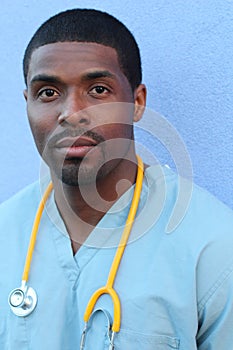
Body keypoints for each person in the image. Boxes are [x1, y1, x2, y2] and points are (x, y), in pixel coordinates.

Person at [0, 8, 233, 350]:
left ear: (137, 103)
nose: (72, 113)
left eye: (97, 89)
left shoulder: (212, 247)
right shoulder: (5, 231)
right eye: (48, 92)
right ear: (27, 104)